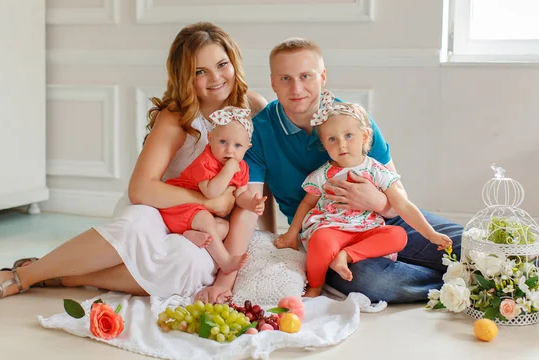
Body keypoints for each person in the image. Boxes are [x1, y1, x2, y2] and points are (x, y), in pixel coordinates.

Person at [0, 22, 269, 304]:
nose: (216, 78)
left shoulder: (253, 108)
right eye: (200, 71)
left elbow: (256, 185)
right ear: (185, 77)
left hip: (205, 226)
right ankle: (21, 276)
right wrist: (208, 201)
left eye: (221, 65)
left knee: (189, 266)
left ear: (234, 61)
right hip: (160, 207)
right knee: (134, 228)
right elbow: (141, 189)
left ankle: (65, 278)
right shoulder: (177, 116)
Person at [196, 37, 462, 304]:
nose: (297, 88)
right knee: (375, 281)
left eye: (306, 76)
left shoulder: (353, 121)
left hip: (384, 219)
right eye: (285, 78)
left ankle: (464, 272)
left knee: (466, 243)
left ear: (322, 76)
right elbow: (248, 208)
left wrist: (377, 201)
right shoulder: (259, 132)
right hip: (328, 236)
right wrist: (225, 279)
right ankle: (458, 286)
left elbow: (398, 200)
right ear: (273, 83)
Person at [274, 96, 453, 297]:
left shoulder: (376, 171)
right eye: (332, 139)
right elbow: (307, 204)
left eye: (348, 135)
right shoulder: (322, 175)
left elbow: (402, 205)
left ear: (365, 136)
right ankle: (315, 285)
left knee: (397, 235)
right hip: (333, 229)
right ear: (324, 144)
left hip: (367, 230)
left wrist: (431, 235)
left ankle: (347, 255)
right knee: (320, 241)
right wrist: (291, 233)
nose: (341, 144)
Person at [159, 106, 266, 274]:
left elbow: (240, 194)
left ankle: (189, 235)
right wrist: (229, 169)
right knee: (205, 219)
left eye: (238, 145)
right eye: (223, 142)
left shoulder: (242, 167)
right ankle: (225, 261)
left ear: (247, 148)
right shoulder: (205, 161)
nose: (229, 150)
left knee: (223, 226)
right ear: (210, 138)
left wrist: (251, 203)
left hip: (199, 215)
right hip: (179, 207)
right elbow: (211, 193)